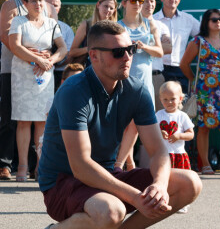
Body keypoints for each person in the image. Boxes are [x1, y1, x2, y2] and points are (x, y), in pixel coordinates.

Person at [38, 20, 202, 228]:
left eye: (130, 49)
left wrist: (159, 185)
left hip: (108, 175)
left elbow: (159, 150)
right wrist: (136, 198)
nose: (127, 57)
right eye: (118, 52)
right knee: (112, 211)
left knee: (190, 183)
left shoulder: (137, 89)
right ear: (94, 56)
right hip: (63, 183)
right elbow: (80, 166)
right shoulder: (73, 91)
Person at [0, 0, 56, 180]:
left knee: (40, 118)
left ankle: (35, 166)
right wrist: (29, 53)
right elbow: (5, 36)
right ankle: (5, 164)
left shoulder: (49, 7)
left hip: (42, 70)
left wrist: (45, 55)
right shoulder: (10, 5)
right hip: (13, 69)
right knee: (10, 118)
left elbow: (53, 36)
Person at [9, 0, 67, 182]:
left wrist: (50, 61)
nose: (38, 4)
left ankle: (41, 167)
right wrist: (35, 58)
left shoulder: (51, 23)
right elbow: (15, 46)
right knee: (23, 121)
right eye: (33, 1)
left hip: (45, 75)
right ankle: (23, 166)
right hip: (23, 75)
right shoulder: (18, 21)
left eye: (41, 1)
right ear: (25, 4)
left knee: (43, 121)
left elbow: (63, 48)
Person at [180, 9, 220, 175]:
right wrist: (196, 82)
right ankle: (205, 165)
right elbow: (184, 65)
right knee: (203, 128)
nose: (218, 22)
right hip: (203, 92)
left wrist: (218, 81)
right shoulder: (198, 41)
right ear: (206, 22)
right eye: (214, 20)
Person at [115, 0, 164, 171]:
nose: (138, 4)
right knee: (124, 125)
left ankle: (120, 164)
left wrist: (143, 47)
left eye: (140, 0)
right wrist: (128, 47)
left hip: (144, 79)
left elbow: (159, 52)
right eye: (134, 0)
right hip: (123, 78)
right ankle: (128, 163)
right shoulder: (118, 25)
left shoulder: (150, 24)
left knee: (136, 124)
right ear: (124, 3)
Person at [153, 0, 200, 93]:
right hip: (160, 69)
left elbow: (204, 38)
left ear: (179, 0)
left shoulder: (188, 19)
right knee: (160, 106)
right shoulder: (153, 20)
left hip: (181, 70)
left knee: (181, 107)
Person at [157, 81, 194, 213]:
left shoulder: (182, 116)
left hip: (179, 154)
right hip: (163, 155)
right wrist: (160, 132)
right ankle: (164, 201)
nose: (169, 102)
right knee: (164, 179)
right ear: (160, 99)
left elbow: (191, 134)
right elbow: (152, 131)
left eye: (172, 99)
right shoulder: (159, 115)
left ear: (180, 99)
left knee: (182, 181)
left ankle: (182, 203)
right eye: (165, 99)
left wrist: (179, 136)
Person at [142, 0, 172, 111]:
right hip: (138, 76)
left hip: (157, 77)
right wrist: (157, 46)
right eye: (145, 1)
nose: (149, 4)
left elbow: (168, 48)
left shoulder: (161, 26)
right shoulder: (131, 25)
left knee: (160, 119)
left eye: (152, 1)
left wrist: (143, 46)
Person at [69, 0, 118, 67]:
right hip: (88, 68)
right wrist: (90, 48)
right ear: (98, 5)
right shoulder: (86, 25)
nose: (108, 10)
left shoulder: (115, 28)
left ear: (114, 11)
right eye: (106, 6)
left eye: (111, 8)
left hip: (108, 67)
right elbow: (72, 52)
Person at [45, 0, 75, 91]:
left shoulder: (67, 29)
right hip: (37, 70)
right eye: (49, 4)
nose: (52, 7)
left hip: (59, 72)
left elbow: (69, 54)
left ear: (60, 8)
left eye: (56, 5)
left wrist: (54, 63)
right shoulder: (31, 24)